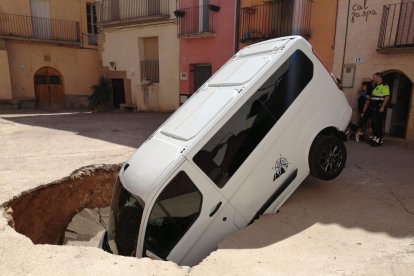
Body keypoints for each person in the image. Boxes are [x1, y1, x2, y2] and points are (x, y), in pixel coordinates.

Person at [361, 72, 390, 146]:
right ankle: (375, 138)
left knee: (377, 124)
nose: (373, 78)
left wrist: (382, 107)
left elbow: (387, 97)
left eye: (374, 77)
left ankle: (379, 140)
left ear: (379, 77)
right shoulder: (375, 85)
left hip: (379, 107)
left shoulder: (384, 85)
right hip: (373, 108)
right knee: (374, 123)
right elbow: (373, 97)